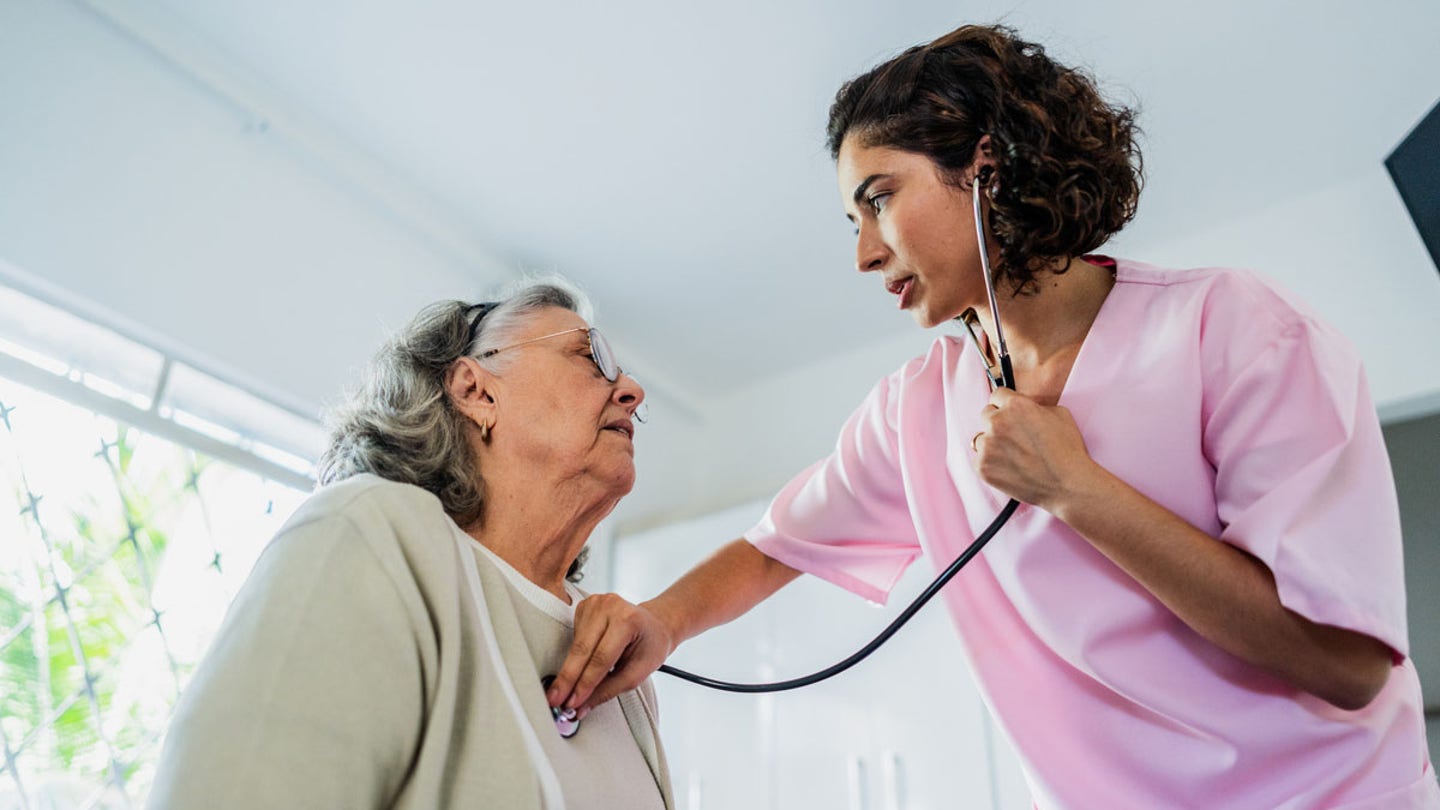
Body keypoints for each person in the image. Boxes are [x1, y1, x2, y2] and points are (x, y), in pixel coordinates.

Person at [545, 23, 1440, 809]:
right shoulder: (915, 410)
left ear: (986, 163)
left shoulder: (1238, 329)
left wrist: (1075, 489)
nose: (862, 254)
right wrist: (659, 623)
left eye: (880, 198)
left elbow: (1347, 666)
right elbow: (773, 549)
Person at [148, 278, 671, 809]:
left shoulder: (620, 659)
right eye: (590, 357)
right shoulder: (371, 533)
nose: (631, 389)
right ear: (476, 391)